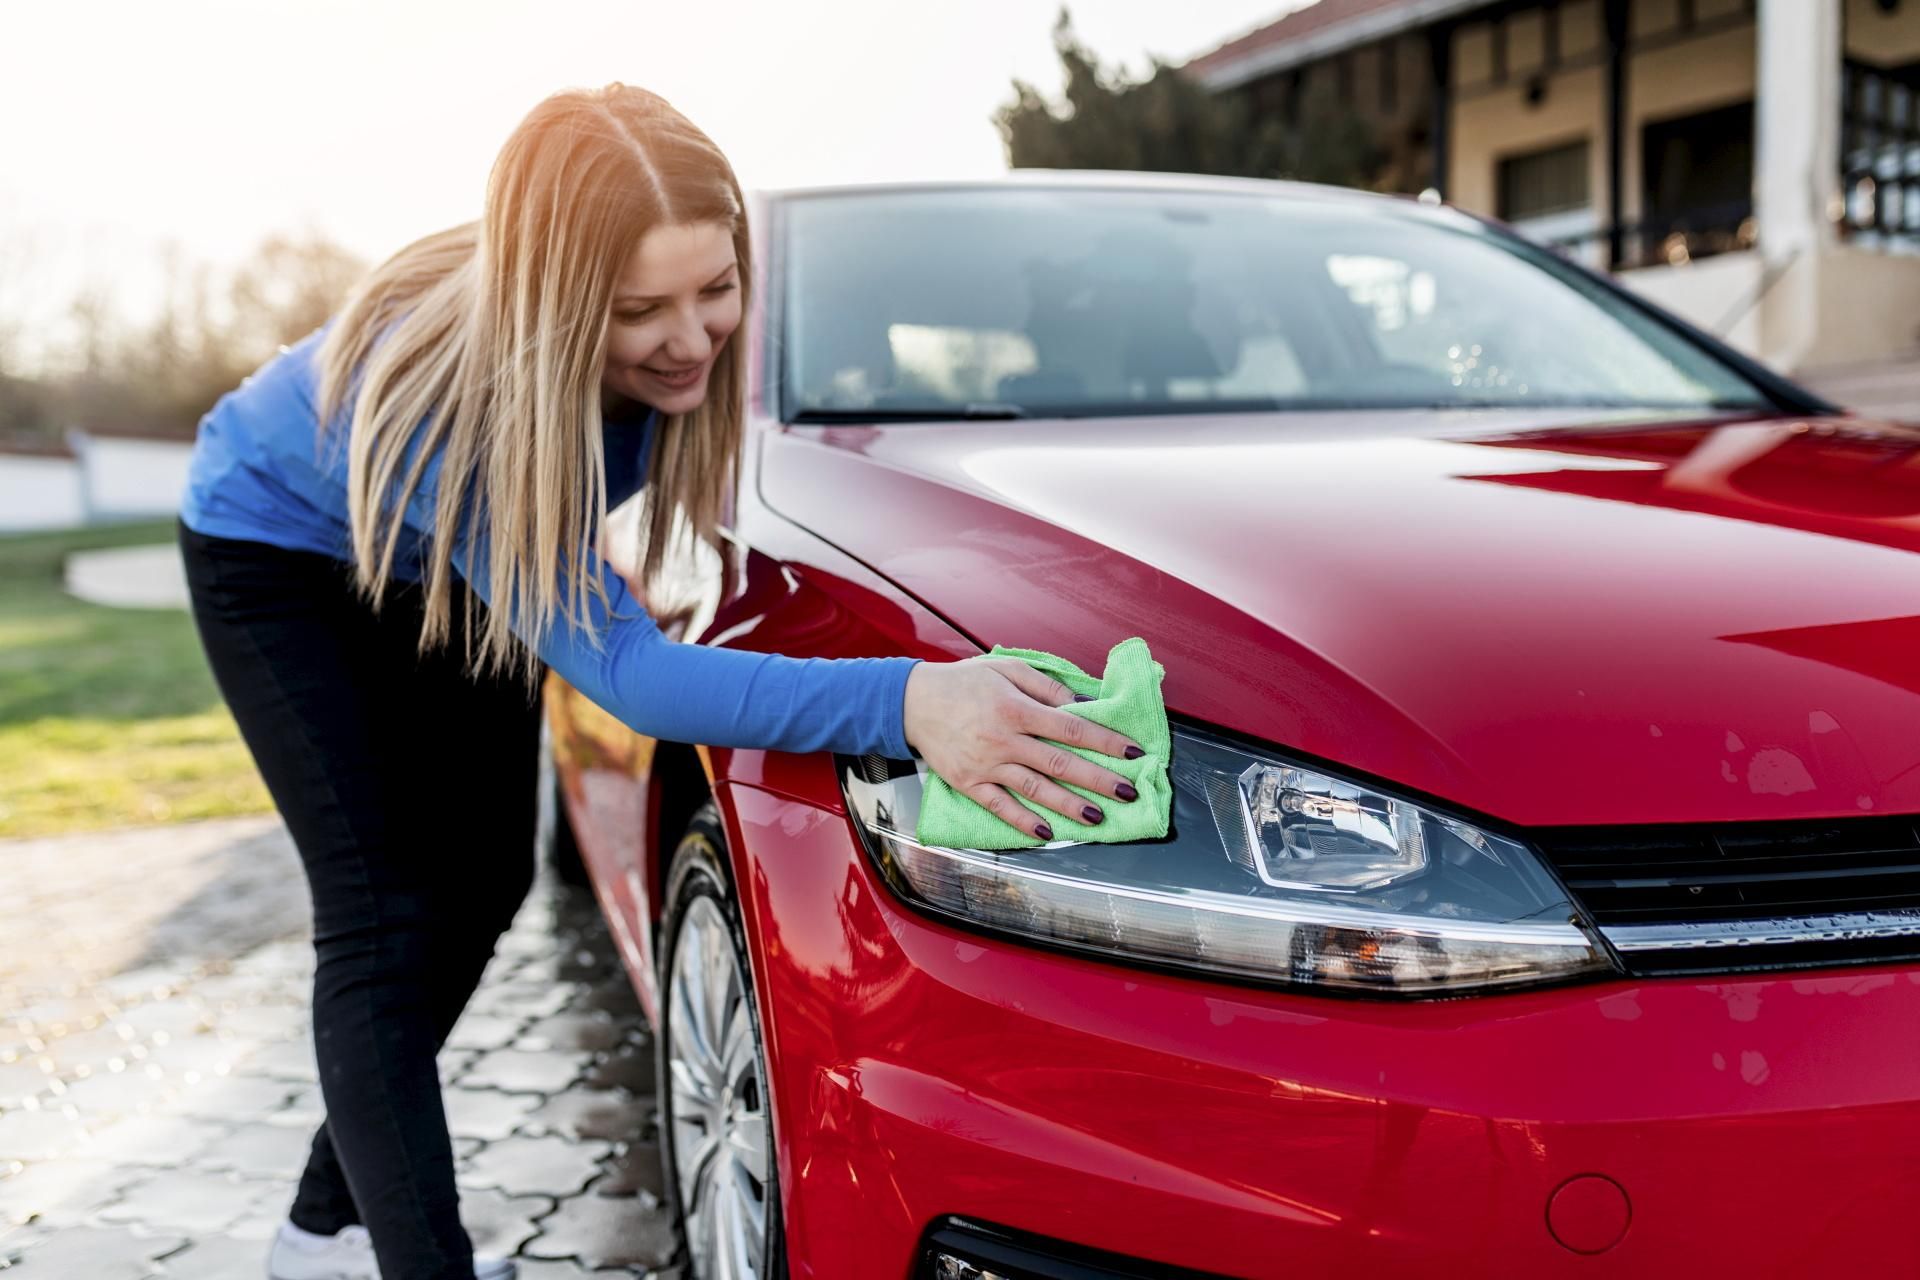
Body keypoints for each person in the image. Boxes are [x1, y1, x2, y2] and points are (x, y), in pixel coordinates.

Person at [174, 83, 1147, 1280]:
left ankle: (321, 1223)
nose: (691, 338)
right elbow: (632, 677)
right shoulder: (478, 412)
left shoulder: (688, 350)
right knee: (383, 914)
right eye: (640, 310)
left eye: (716, 289)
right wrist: (910, 698)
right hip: (280, 554)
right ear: (560, 304)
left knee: (483, 876)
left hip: (446, 549)